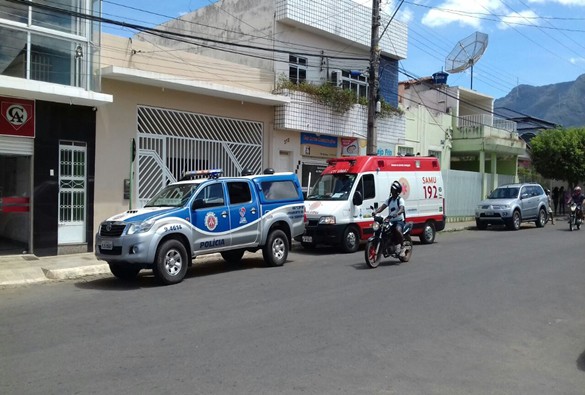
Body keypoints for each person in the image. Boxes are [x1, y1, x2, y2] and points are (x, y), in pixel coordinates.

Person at [374, 180, 406, 257]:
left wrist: (397, 213)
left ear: (397, 191)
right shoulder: (389, 200)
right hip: (391, 221)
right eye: (392, 190)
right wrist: (375, 212)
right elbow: (382, 207)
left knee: (397, 230)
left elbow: (402, 209)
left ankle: (403, 247)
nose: (392, 191)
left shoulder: (400, 200)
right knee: (383, 229)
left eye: (393, 190)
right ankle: (386, 245)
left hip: (399, 221)